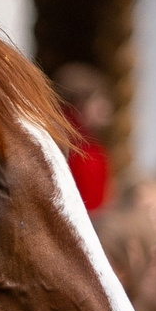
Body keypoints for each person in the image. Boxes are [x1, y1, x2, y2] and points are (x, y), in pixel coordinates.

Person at [53, 62, 114, 213]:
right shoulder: (65, 143)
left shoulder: (91, 145)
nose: (106, 109)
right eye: (98, 100)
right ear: (79, 105)